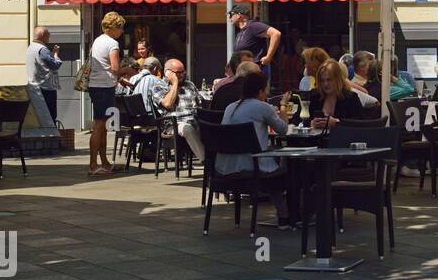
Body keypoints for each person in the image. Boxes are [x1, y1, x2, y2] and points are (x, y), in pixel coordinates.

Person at [218, 70, 292, 228]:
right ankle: (284, 216)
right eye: (266, 90)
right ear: (260, 91)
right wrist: (284, 105)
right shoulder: (263, 107)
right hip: (251, 166)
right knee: (281, 166)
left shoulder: (230, 107)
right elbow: (283, 129)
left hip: (225, 167)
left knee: (271, 155)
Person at [87, 12, 126, 177]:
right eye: (121, 28)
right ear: (115, 28)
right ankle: (93, 165)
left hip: (95, 85)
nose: (122, 31)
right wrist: (129, 70)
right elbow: (115, 69)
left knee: (101, 126)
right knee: (99, 126)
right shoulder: (113, 44)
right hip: (104, 87)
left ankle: (104, 162)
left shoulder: (98, 40)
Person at [150, 59, 205, 163]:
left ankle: (221, 162)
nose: (182, 75)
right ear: (168, 73)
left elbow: (200, 104)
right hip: (174, 123)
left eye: (183, 71)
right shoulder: (159, 86)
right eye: (178, 73)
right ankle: (207, 163)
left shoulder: (189, 85)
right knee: (187, 128)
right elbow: (168, 104)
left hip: (195, 120)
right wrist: (174, 83)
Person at [229, 3, 281, 77]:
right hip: (243, 72)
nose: (230, 18)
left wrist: (268, 57)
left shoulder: (253, 26)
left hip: (255, 72)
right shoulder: (241, 31)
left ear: (239, 15)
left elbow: (276, 34)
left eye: (231, 15)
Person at [309, 60, 366, 128]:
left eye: (329, 80)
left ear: (338, 79)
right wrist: (311, 123)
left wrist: (337, 123)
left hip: (342, 137)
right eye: (322, 80)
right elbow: (300, 121)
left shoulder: (351, 97)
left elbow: (360, 124)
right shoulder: (315, 96)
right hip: (317, 137)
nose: (325, 84)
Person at [26, 27, 63, 122]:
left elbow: (42, 62)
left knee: (39, 116)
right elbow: (55, 65)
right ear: (43, 36)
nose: (49, 37)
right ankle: (51, 135)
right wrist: (55, 54)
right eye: (48, 35)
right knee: (51, 116)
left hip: (33, 86)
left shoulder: (30, 47)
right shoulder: (43, 49)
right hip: (46, 88)